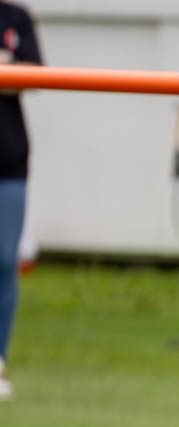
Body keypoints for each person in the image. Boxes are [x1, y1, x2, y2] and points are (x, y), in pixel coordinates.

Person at [0, 0, 42, 402]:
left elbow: (33, 74)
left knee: (4, 261)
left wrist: (9, 70)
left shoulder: (16, 18)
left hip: (8, 160)